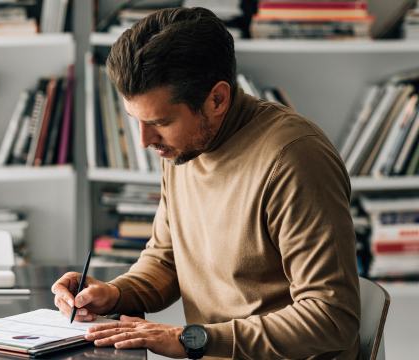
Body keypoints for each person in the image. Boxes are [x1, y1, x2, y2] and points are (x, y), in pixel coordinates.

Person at [52, 7, 360, 359]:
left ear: (217, 99)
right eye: (135, 120)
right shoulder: (184, 145)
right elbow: (166, 260)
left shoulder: (294, 159)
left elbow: (332, 316)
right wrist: (114, 293)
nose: (143, 141)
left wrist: (192, 339)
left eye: (160, 122)